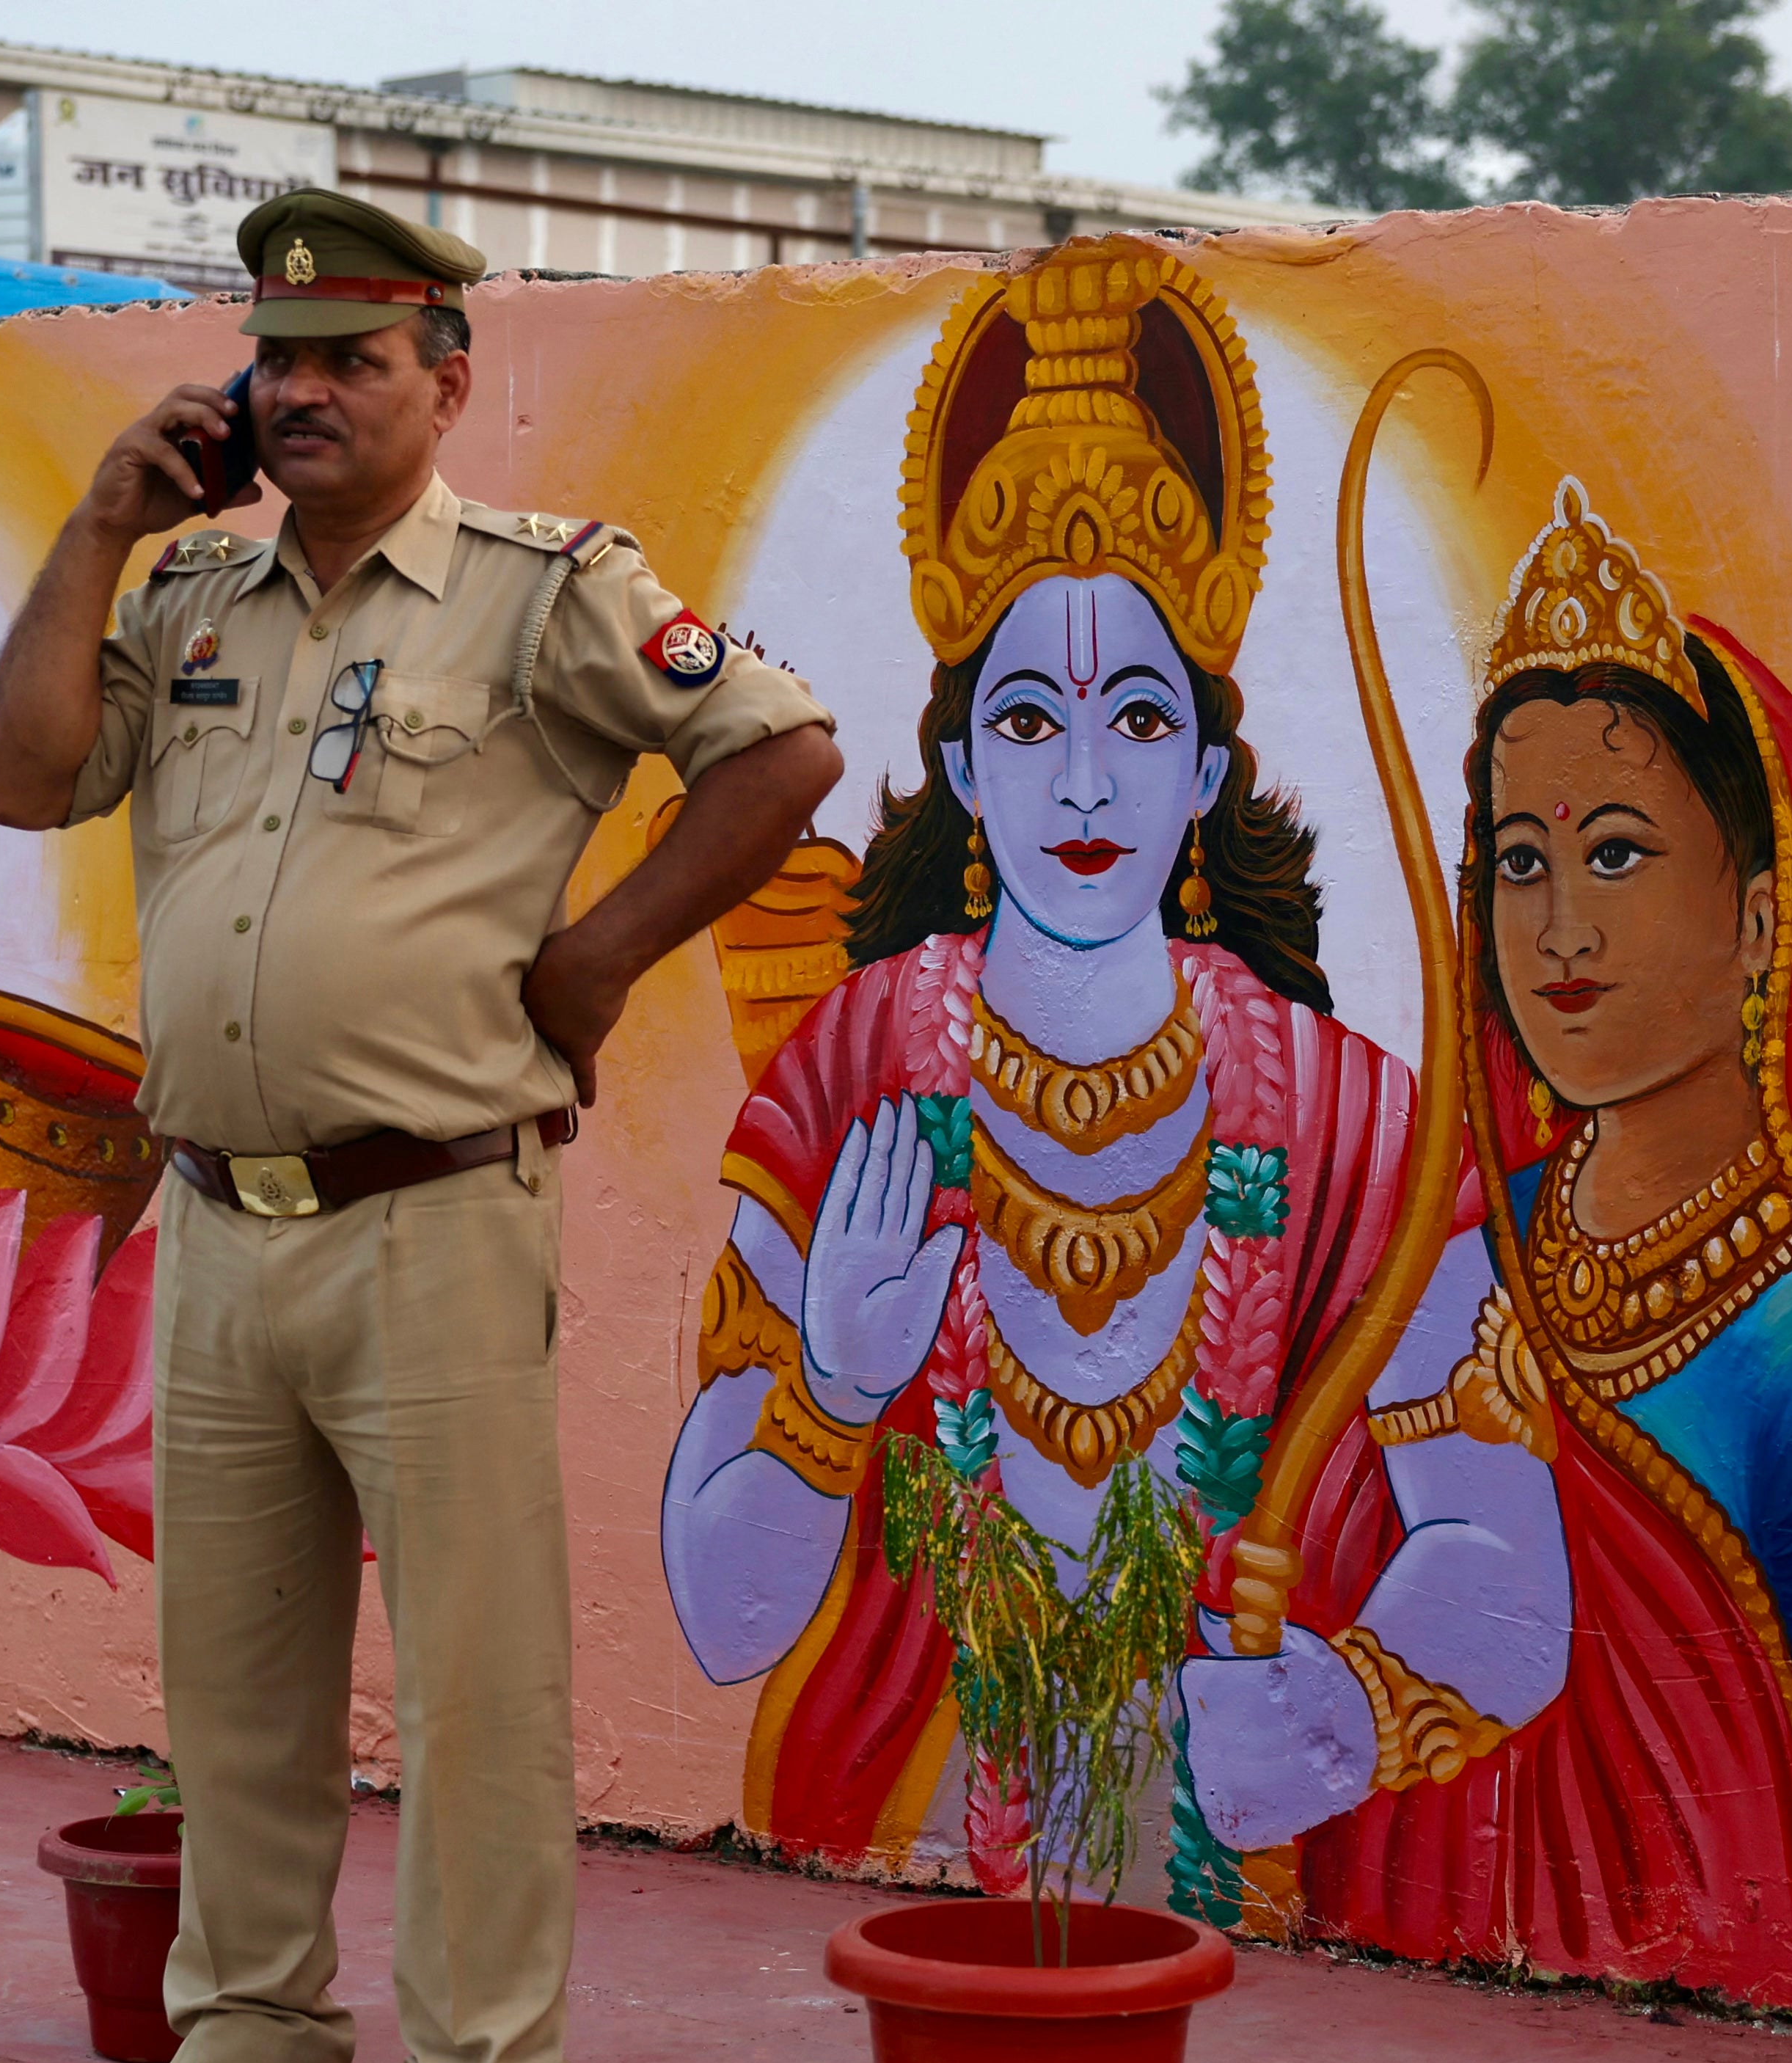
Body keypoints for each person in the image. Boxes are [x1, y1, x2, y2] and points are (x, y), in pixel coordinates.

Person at [0, 189, 841, 2063]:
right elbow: (22, 780)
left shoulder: (547, 593)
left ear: (448, 379)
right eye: (278, 361)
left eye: (349, 362)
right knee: (233, 1680)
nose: (300, 395)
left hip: (431, 1214)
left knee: (473, 1694)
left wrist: (604, 955)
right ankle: (255, 2047)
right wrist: (91, 525)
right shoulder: (181, 591)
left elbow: (778, 748)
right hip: (217, 1221)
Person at [1191, 479, 1792, 2057]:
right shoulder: (1471, 1253)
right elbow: (1462, 1592)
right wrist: (1325, 1695)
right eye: (1517, 864)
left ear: (1760, 912)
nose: (1559, 925)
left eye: (1620, 851)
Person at [654, 238, 1569, 1918]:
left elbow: (1508, 1575)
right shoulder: (852, 1075)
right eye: (1026, 722)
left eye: (1141, 721)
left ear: (1213, 767)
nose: (1085, 777)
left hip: (1262, 1862)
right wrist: (830, 1395)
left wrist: (1347, 1713)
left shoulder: (1352, 1115)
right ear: (959, 765)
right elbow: (720, 1614)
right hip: (900, 1840)